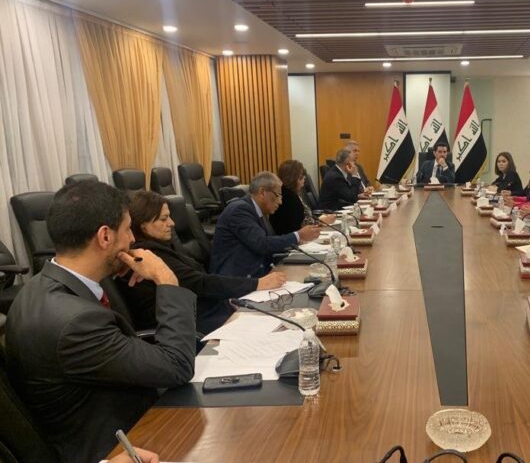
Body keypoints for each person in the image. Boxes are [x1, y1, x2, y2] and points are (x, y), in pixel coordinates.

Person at [4, 181, 196, 463]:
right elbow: (177, 366)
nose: (133, 239)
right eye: (128, 229)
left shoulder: (42, 286)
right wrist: (166, 280)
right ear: (105, 236)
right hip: (117, 444)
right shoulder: (76, 322)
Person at [118, 191, 287, 334]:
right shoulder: (148, 255)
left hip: (202, 313)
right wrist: (258, 283)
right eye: (164, 219)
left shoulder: (161, 246)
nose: (172, 223)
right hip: (191, 327)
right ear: (144, 225)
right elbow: (200, 283)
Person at [210, 172, 320, 277]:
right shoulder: (239, 210)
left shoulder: (256, 210)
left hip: (253, 272)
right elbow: (262, 244)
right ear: (262, 192)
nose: (280, 201)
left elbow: (266, 244)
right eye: (278, 195)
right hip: (235, 280)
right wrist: (298, 236)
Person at [270, 160, 337, 235]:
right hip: (293, 239)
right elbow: (298, 228)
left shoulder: (286, 192)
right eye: (301, 177)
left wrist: (319, 221)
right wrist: (321, 222)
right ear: (294, 178)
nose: (304, 178)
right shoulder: (289, 198)